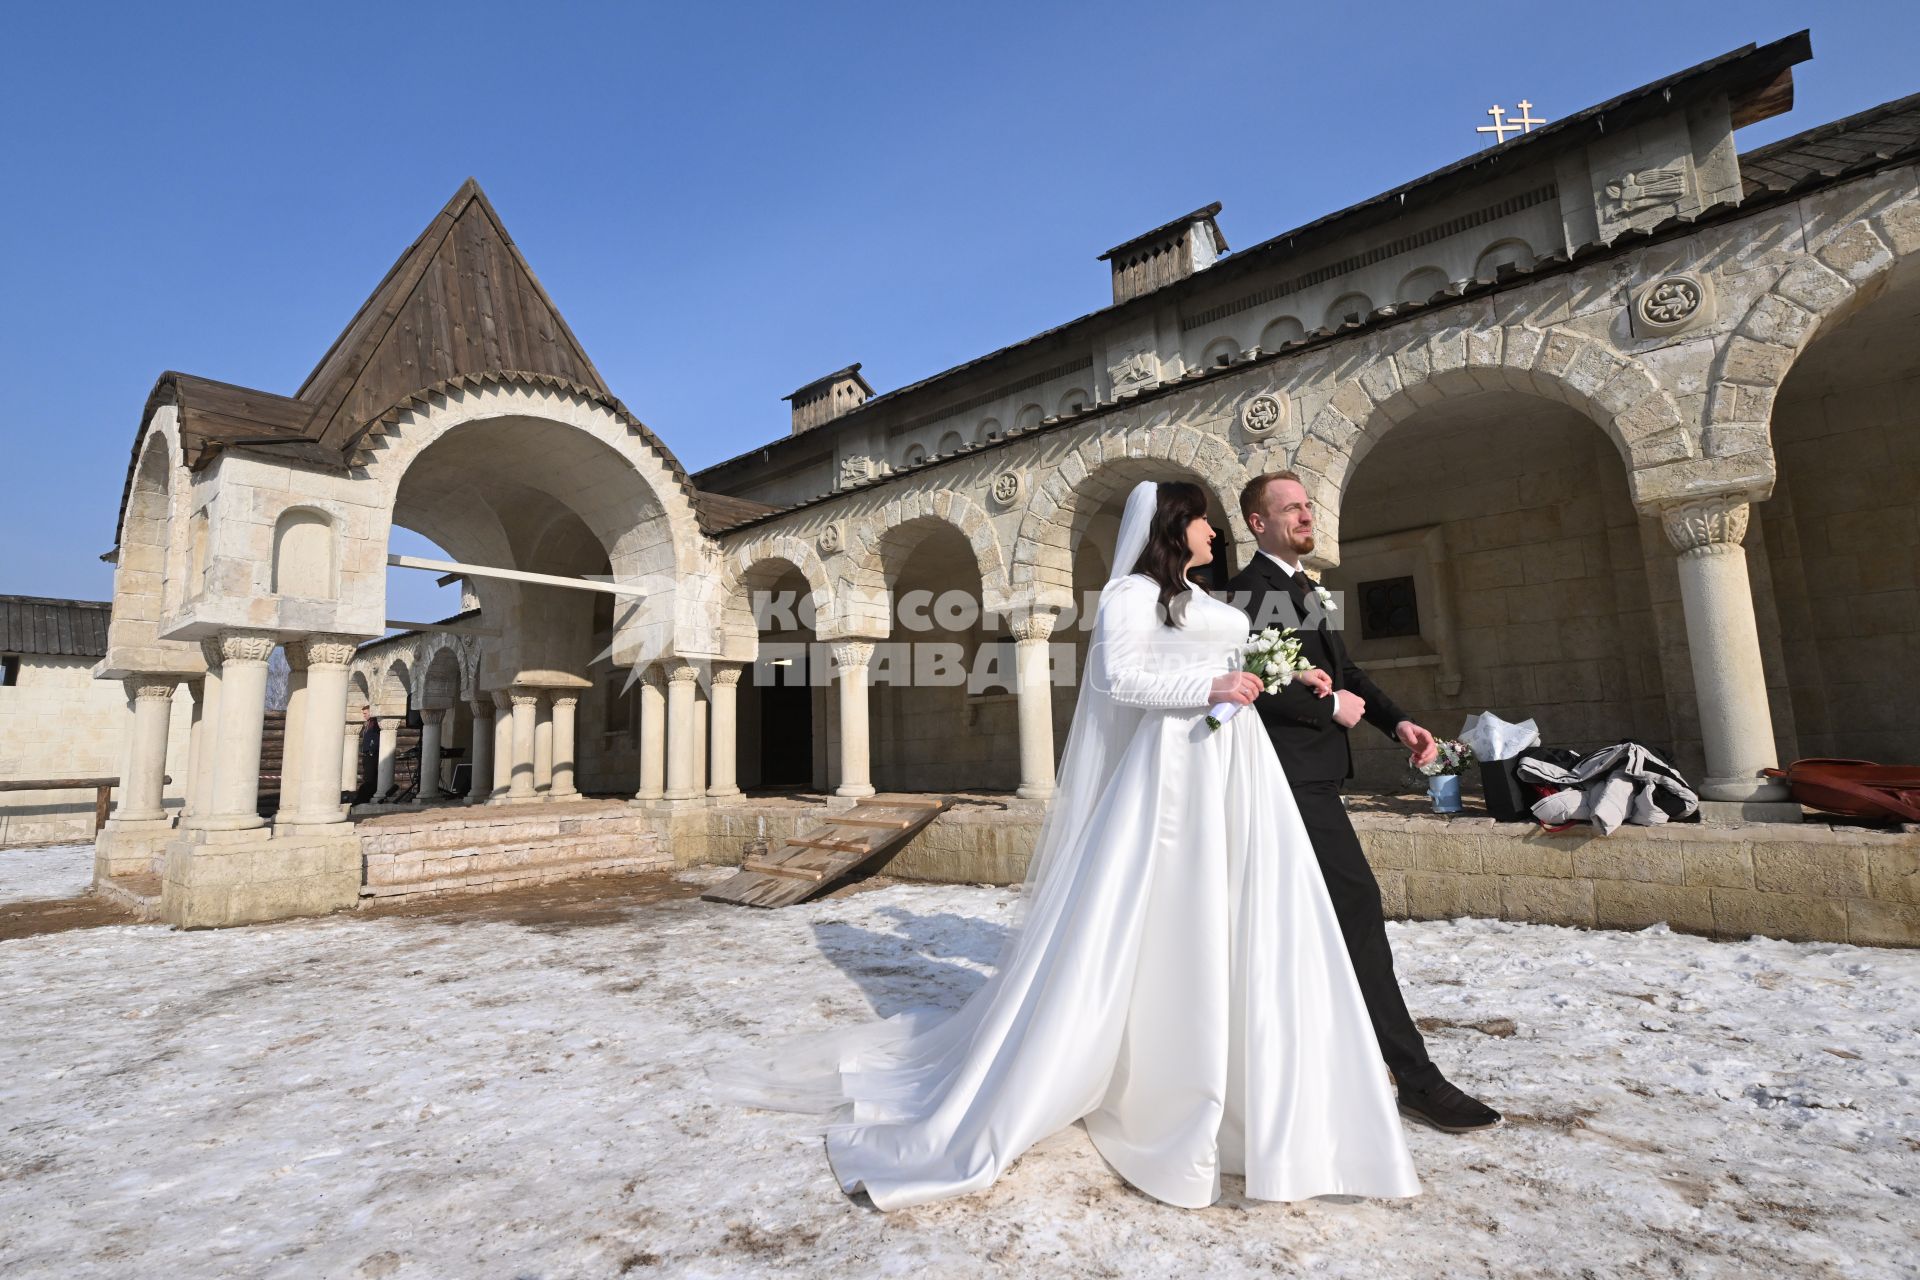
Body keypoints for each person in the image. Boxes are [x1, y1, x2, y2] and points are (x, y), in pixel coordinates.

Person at [718, 480, 1420, 1210]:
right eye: (1206, 522)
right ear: (1178, 526)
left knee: (1246, 911)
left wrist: (1285, 674)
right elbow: (1122, 681)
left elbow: (1239, 658)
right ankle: (1163, 1068)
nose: (1215, 534)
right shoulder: (1127, 596)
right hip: (1177, 769)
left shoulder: (1201, 595)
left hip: (1235, 770)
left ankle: (1255, 1072)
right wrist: (1210, 684)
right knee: (1173, 914)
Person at [1227, 471, 1501, 1133]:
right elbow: (1258, 680)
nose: (1304, 514)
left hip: (1316, 774)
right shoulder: (1248, 590)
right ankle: (1415, 1077)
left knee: (1304, 921)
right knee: (1355, 909)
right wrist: (1331, 705)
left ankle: (1318, 1063)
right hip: (1287, 777)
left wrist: (1398, 723)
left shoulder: (1303, 587)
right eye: (1288, 508)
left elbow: (1348, 673)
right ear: (1256, 523)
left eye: (1306, 505)